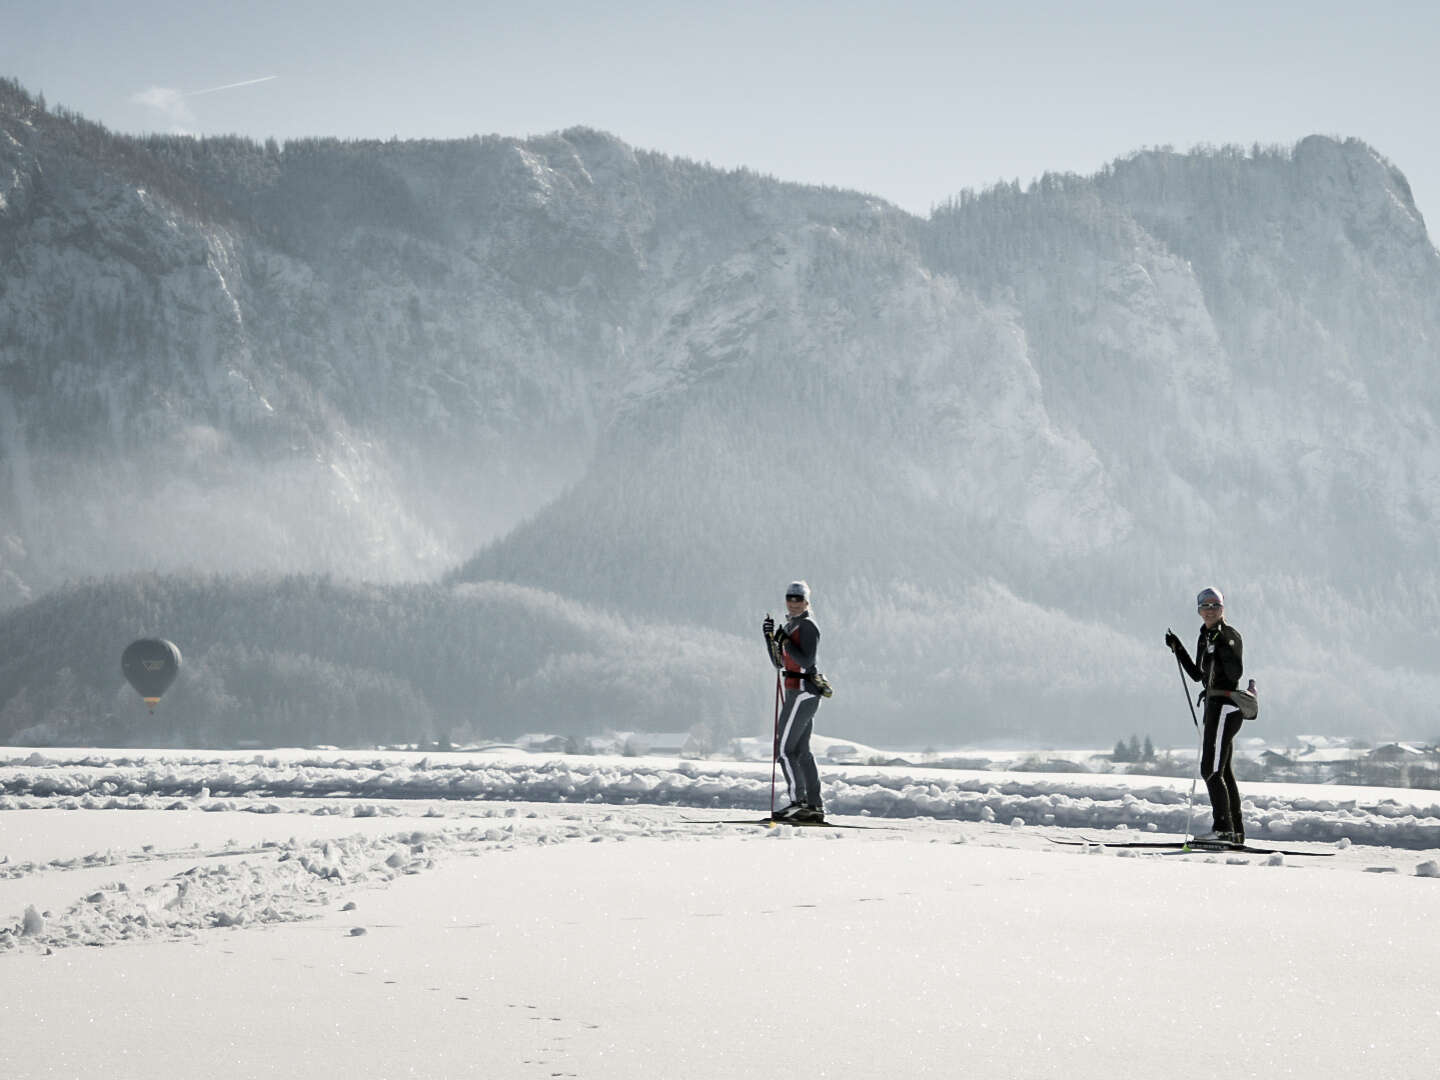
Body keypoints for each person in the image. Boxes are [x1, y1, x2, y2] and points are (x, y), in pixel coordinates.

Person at [1165, 587, 1247, 844]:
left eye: (1214, 605)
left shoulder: (1228, 635)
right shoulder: (1205, 635)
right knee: (1222, 772)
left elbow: (1235, 674)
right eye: (1205, 606)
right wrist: (1178, 649)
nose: (1210, 610)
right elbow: (1198, 675)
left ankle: (1223, 830)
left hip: (1225, 707)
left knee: (1210, 769)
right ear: (1199, 610)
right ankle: (1234, 832)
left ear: (1222, 609)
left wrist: (1219, 646)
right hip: (1214, 706)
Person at [761, 580, 825, 823]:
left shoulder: (807, 626)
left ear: (807, 602)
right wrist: (769, 637)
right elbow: (779, 662)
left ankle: (799, 803)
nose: (794, 602)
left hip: (802, 691)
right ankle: (813, 806)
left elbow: (807, 660)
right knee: (801, 752)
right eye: (790, 598)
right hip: (799, 692)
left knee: (784, 750)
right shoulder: (792, 625)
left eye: (799, 599)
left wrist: (784, 640)